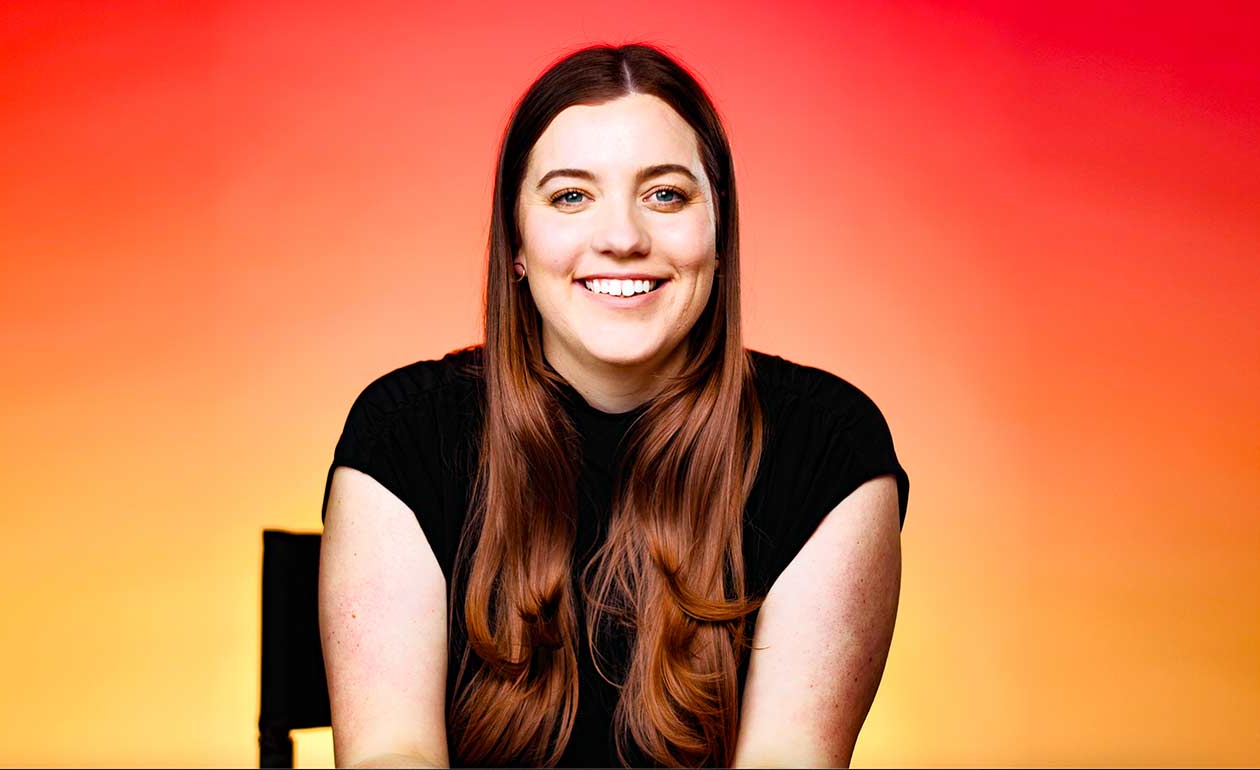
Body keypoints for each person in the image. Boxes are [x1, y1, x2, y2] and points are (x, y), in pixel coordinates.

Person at [318, 43, 910, 769]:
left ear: (718, 232)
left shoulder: (831, 450)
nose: (623, 238)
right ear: (517, 243)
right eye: (571, 196)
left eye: (665, 195)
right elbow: (390, 755)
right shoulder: (400, 435)